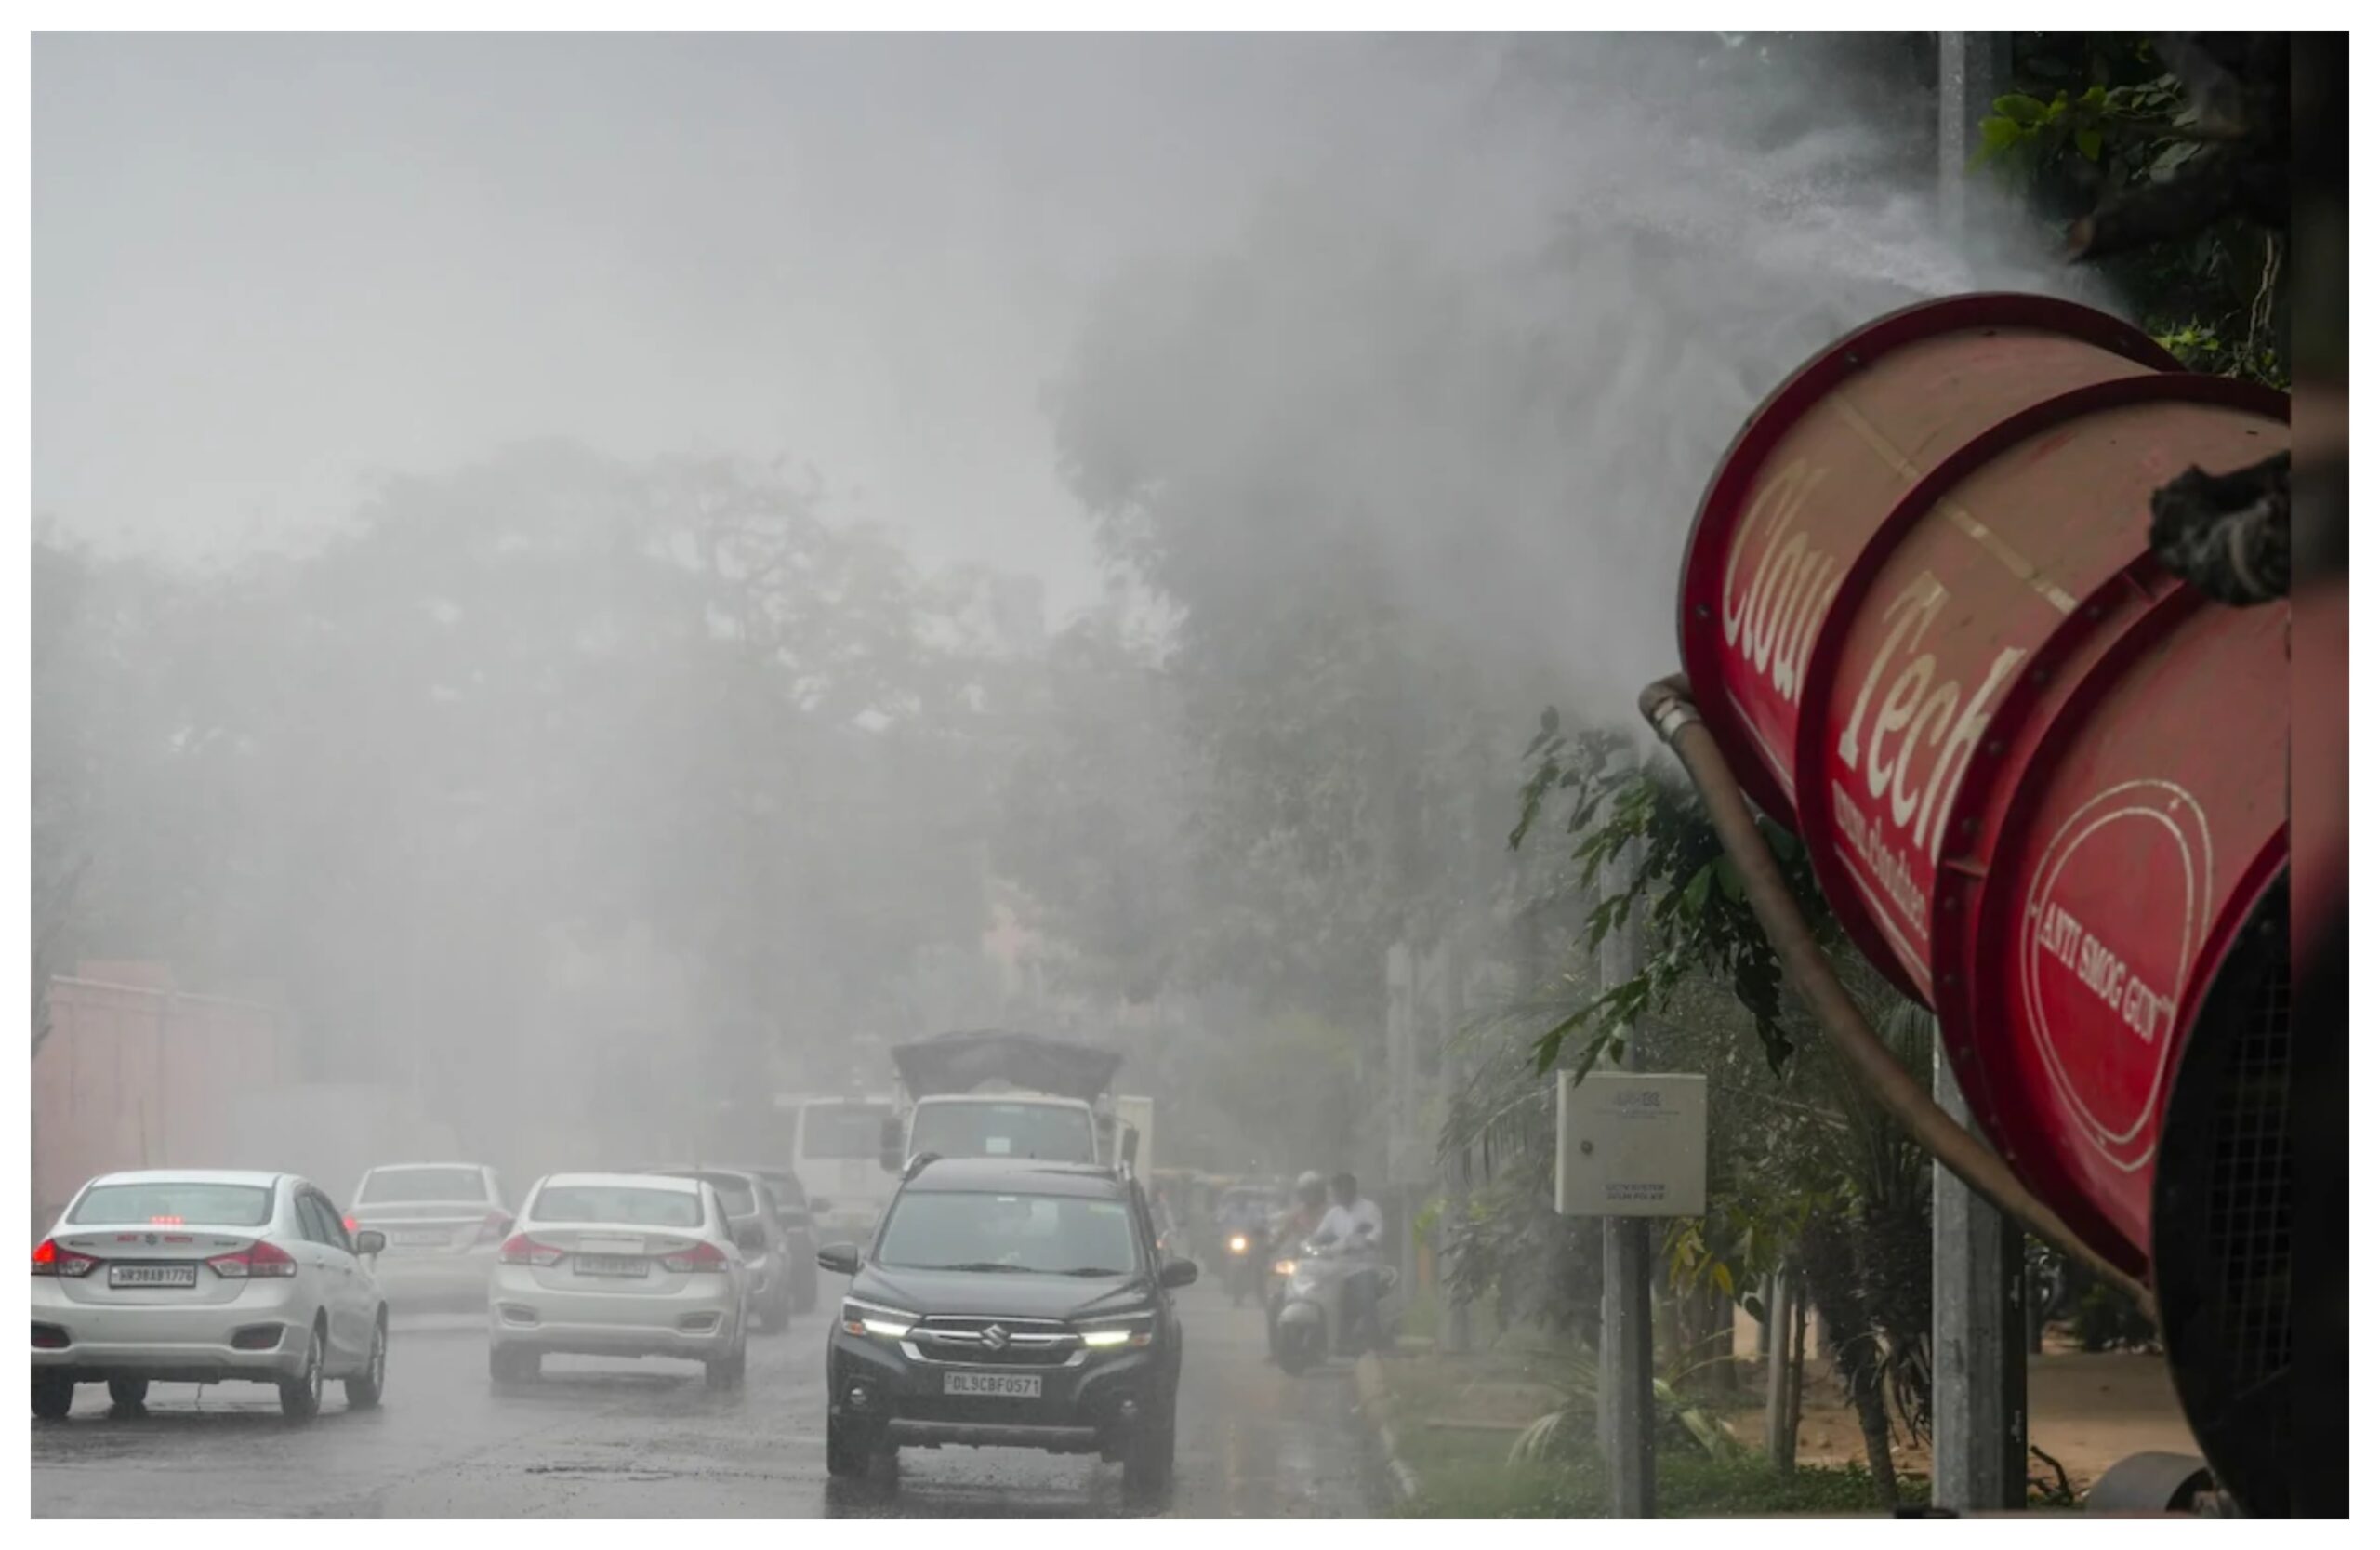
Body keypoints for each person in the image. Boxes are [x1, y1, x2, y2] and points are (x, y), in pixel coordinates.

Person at [1316, 1171, 1386, 1352]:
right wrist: (1309, 1243)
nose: (1337, 1194)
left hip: (1362, 1265)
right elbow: (1319, 1236)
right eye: (1335, 1191)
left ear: (1351, 1189)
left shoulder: (1369, 1209)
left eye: (1339, 1190)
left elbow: (1376, 1233)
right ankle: (1329, 1341)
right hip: (1337, 1266)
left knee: (1366, 1298)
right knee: (1318, 1293)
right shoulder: (1334, 1213)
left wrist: (1365, 1242)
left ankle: (1374, 1342)